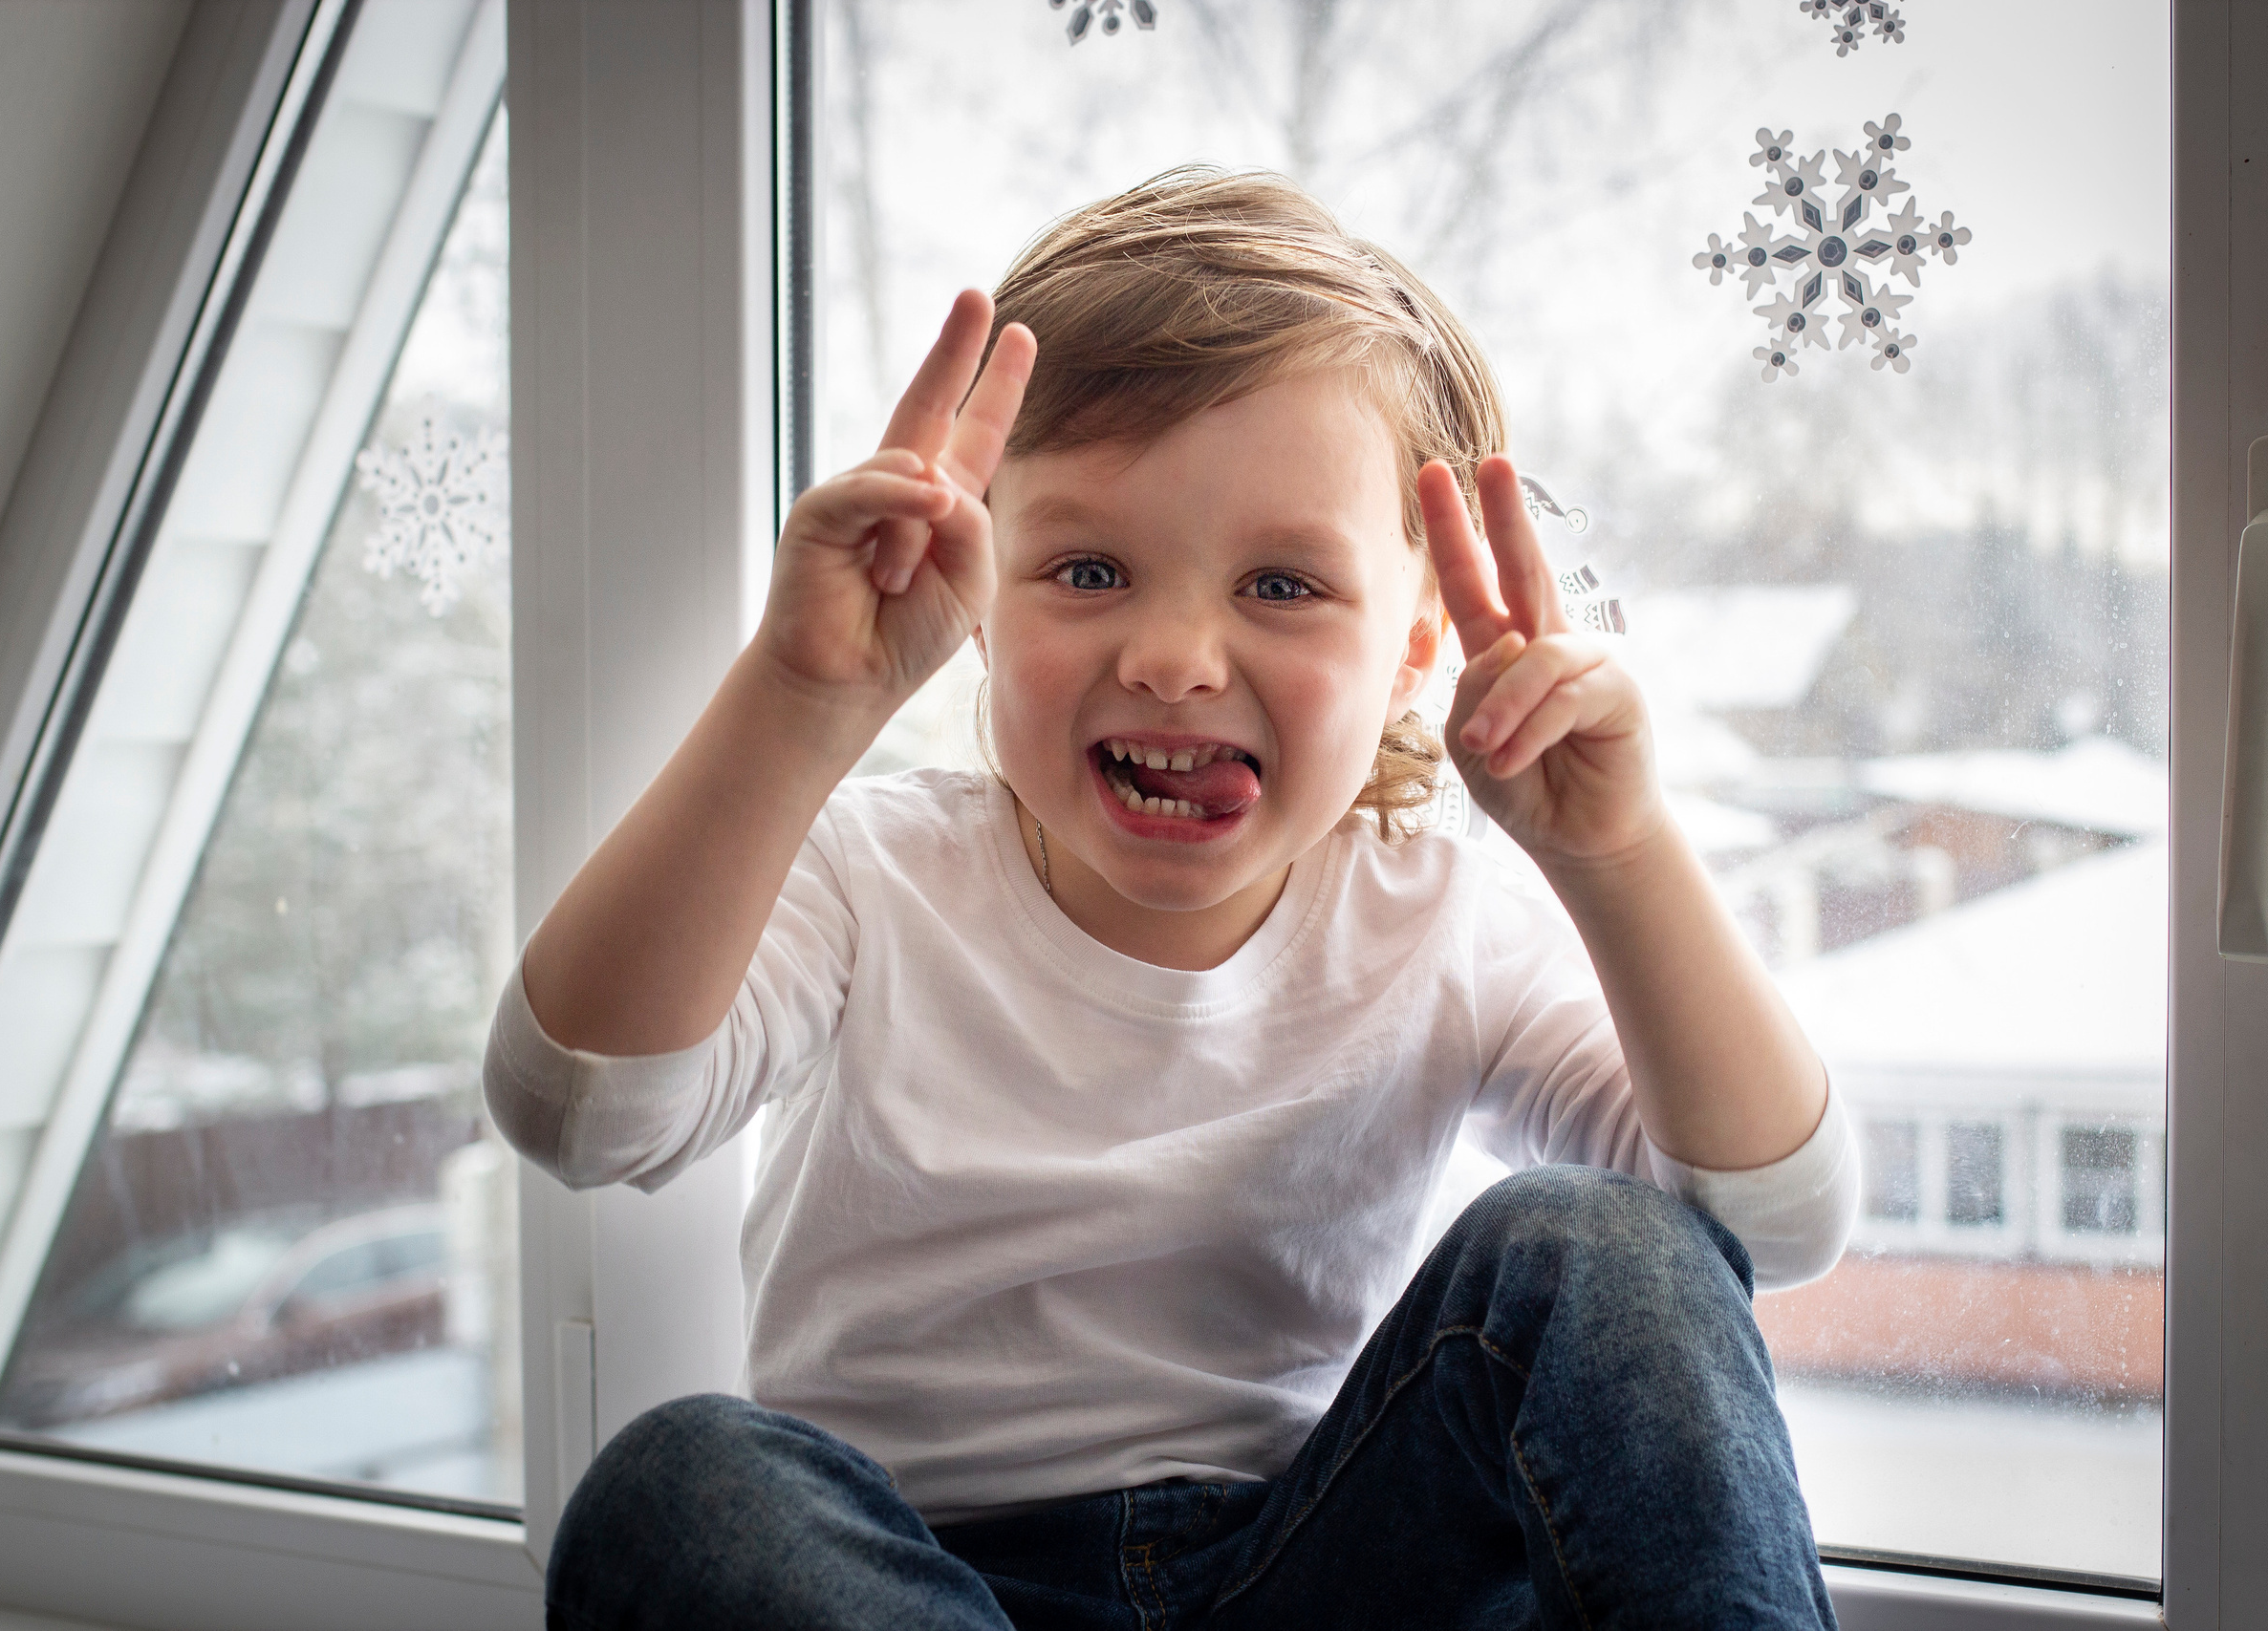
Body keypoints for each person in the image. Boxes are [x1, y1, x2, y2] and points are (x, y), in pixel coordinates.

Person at [489, 166, 1857, 1630]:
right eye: (1087, 568)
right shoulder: (871, 876)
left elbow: (1764, 1225)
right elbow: (580, 1113)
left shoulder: (1446, 914)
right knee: (681, 1488)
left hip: (1326, 1568)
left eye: (1282, 587)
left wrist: (1620, 856)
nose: (1176, 658)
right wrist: (795, 700)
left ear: (1415, 645)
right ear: (978, 598)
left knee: (1604, 1248)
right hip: (924, 1586)